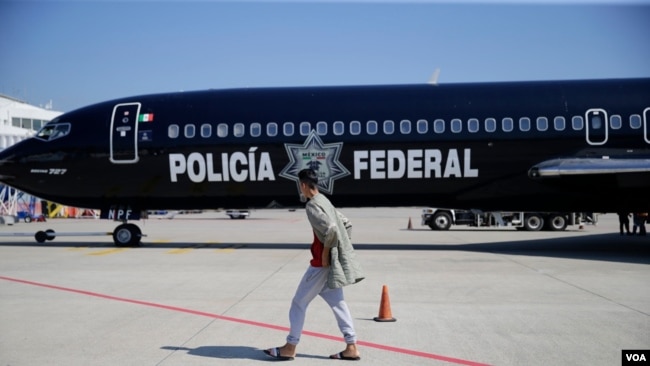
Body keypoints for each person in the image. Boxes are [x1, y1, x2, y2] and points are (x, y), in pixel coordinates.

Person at [264, 168, 364, 361]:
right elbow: (346, 224)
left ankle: (290, 346)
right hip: (328, 266)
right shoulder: (325, 200)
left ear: (302, 185)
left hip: (320, 265)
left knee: (298, 303)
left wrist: (327, 254)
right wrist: (339, 251)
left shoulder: (311, 206)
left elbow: (332, 229)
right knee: (339, 304)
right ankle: (352, 346)